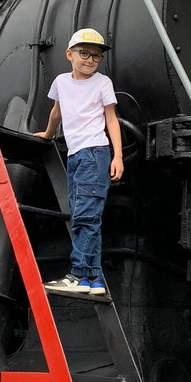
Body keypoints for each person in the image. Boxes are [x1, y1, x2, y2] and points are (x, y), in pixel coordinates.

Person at [35, 28, 123, 295]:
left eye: (96, 56)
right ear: (69, 54)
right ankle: (93, 280)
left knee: (86, 217)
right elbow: (57, 111)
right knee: (83, 217)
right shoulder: (61, 82)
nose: (90, 60)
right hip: (75, 154)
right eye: (84, 53)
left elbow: (111, 119)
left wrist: (118, 156)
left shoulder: (102, 83)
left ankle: (76, 276)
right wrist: (48, 134)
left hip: (95, 152)